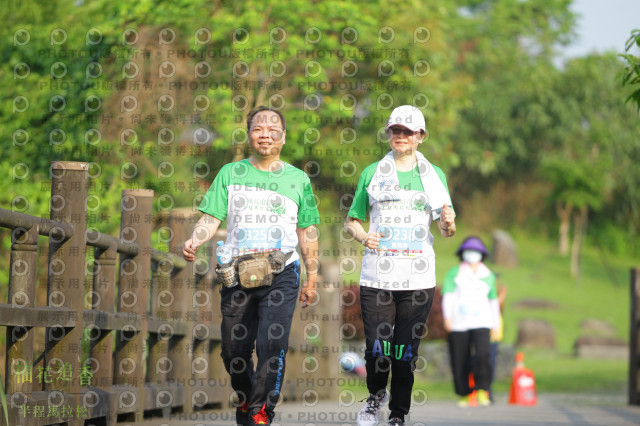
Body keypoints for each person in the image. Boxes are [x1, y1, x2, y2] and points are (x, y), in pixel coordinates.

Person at [182, 106, 320, 426]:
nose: (266, 134)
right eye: (259, 129)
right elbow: (211, 217)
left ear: (283, 138)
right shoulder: (231, 173)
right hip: (237, 272)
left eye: (273, 130)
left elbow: (307, 231)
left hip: (282, 271)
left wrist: (312, 277)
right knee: (234, 351)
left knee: (272, 342)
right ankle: (245, 398)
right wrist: (195, 238)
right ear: (249, 135)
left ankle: (261, 411)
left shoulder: (298, 180)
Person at [344, 105, 456, 426]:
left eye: (408, 132)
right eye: (396, 130)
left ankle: (398, 413)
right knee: (378, 349)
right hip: (377, 275)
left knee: (405, 352)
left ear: (420, 137)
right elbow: (352, 221)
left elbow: (447, 230)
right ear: (389, 134)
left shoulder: (434, 176)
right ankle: (375, 395)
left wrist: (449, 223)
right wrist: (365, 237)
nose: (401, 137)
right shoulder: (372, 172)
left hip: (418, 278)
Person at [441, 236, 500, 407]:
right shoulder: (454, 273)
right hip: (459, 323)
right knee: (460, 358)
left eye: (476, 251)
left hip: (482, 322)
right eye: (469, 251)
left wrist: (495, 324)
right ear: (462, 253)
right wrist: (447, 317)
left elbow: (493, 300)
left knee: (483, 355)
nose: (472, 254)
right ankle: (464, 393)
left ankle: (483, 390)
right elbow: (448, 296)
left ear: (482, 254)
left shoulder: (488, 275)